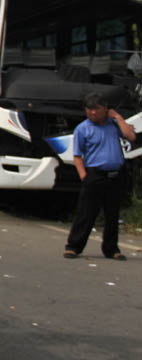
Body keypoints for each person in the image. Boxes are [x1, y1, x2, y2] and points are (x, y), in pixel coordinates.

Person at [64, 92, 136, 260]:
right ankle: (74, 246)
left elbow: (130, 136)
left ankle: (111, 249)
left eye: (96, 110)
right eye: (89, 110)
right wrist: (83, 175)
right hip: (95, 174)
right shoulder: (83, 128)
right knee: (86, 213)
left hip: (115, 175)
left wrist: (118, 117)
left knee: (113, 214)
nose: (93, 113)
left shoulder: (114, 125)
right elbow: (77, 155)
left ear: (105, 109)